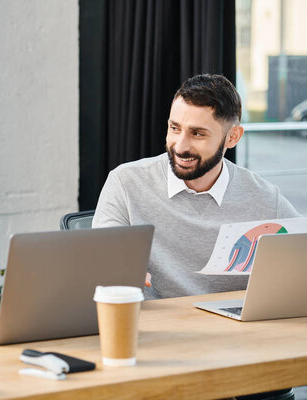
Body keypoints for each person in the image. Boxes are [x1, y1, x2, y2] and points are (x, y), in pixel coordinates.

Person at [93, 74, 300, 300]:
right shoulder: (126, 182)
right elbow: (102, 261)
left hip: (233, 330)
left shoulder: (266, 199)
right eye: (175, 128)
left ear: (232, 137)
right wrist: (116, 271)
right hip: (155, 325)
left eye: (198, 134)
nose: (181, 146)